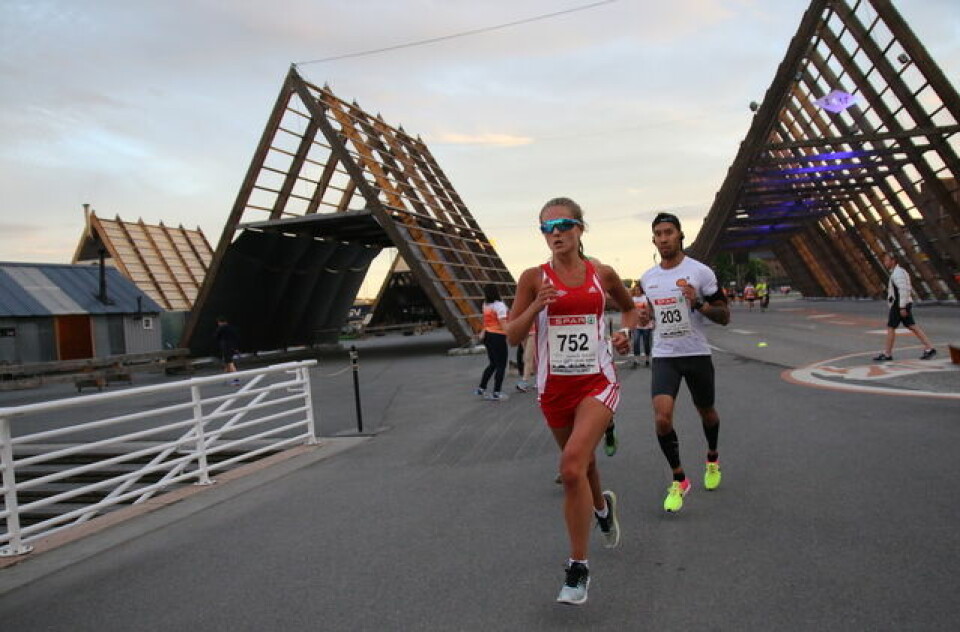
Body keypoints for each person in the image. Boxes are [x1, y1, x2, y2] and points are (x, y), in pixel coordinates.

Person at [506, 197, 636, 606]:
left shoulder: (602, 273)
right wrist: (537, 306)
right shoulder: (532, 278)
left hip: (597, 382)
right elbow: (511, 334)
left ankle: (577, 569)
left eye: (563, 224)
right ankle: (601, 509)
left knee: (570, 465)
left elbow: (630, 309)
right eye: (546, 227)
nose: (555, 233)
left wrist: (625, 334)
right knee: (584, 465)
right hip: (555, 390)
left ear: (580, 228)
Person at [638, 212, 730, 513]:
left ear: (680, 235)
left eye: (669, 232)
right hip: (665, 355)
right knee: (662, 418)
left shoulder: (700, 272)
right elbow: (650, 314)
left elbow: (724, 315)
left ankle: (712, 459)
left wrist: (699, 303)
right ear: (653, 239)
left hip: (696, 353)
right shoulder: (648, 278)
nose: (664, 238)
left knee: (707, 413)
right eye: (658, 234)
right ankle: (679, 479)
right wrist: (644, 318)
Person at [873, 252, 936, 361]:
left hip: (899, 304)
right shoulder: (898, 272)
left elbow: (903, 290)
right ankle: (929, 348)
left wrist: (902, 307)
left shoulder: (898, 273)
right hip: (902, 303)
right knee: (912, 326)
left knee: (891, 327)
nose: (885, 262)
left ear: (893, 261)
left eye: (886, 260)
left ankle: (887, 354)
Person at [475, 283, 510, 401]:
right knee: (501, 365)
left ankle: (481, 388)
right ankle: (496, 392)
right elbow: (503, 323)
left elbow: (486, 321)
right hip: (498, 337)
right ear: (497, 291)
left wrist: (482, 332)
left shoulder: (485, 304)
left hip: (488, 336)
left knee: (493, 363)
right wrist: (512, 335)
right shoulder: (499, 305)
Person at [629, 283, 653, 368]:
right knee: (636, 341)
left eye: (638, 290)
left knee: (646, 342)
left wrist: (644, 317)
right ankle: (636, 360)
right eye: (635, 290)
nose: (637, 291)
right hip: (636, 325)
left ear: (641, 290)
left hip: (645, 324)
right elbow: (631, 311)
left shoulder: (645, 298)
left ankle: (647, 359)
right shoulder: (632, 299)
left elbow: (647, 310)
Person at [214, 317, 241, 385]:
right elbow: (236, 337)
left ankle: (236, 379)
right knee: (226, 363)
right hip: (232, 347)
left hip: (225, 347)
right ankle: (225, 379)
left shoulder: (221, 328)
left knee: (230, 363)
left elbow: (216, 336)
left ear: (219, 322)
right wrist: (236, 348)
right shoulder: (232, 328)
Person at [516, 324, 536, 392]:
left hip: (533, 331)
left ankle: (524, 381)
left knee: (528, 357)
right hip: (523, 331)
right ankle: (539, 378)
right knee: (528, 356)